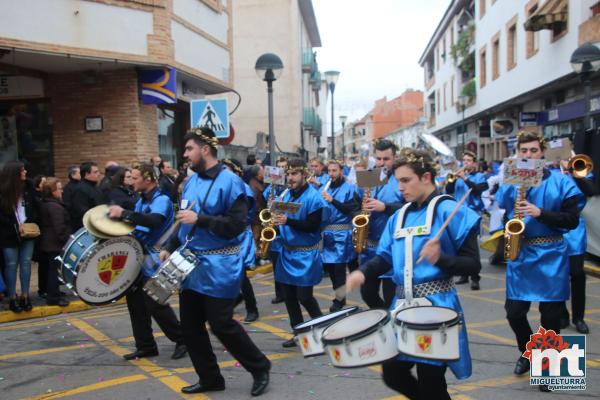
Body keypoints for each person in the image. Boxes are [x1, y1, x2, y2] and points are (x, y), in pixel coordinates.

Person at [347, 149, 482, 399]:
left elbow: (473, 265)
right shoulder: (399, 216)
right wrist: (363, 273)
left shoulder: (449, 210)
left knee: (431, 380)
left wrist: (440, 258)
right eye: (398, 180)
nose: (400, 187)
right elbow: (385, 257)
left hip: (437, 306)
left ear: (426, 177)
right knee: (393, 373)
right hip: (402, 306)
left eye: (406, 180)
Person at [161, 127, 271, 396]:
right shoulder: (192, 182)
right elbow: (184, 221)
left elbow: (235, 226)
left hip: (221, 265)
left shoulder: (232, 182)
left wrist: (202, 220)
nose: (185, 154)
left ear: (205, 149)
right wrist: (169, 246)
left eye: (189, 149)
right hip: (191, 265)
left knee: (221, 324)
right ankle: (210, 378)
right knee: (190, 326)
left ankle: (259, 367)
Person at [494, 132, 582, 389]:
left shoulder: (560, 182)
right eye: (524, 151)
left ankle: (550, 370)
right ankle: (529, 351)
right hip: (521, 254)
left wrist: (540, 213)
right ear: (518, 153)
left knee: (551, 317)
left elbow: (571, 219)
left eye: (533, 151)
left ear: (542, 153)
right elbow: (503, 211)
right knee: (514, 313)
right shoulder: (511, 179)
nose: (529, 156)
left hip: (551, 253)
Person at [107, 162, 186, 361]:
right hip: (139, 258)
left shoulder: (162, 200)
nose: (131, 181)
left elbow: (154, 221)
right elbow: (138, 221)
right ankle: (145, 345)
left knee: (155, 303)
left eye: (135, 178)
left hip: (156, 259)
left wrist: (124, 214)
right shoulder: (141, 200)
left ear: (148, 179)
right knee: (135, 304)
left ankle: (182, 339)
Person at [273, 158, 328, 348]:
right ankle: (298, 332)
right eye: (288, 174)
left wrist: (288, 222)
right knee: (289, 297)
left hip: (306, 254)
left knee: (304, 297)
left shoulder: (314, 198)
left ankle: (322, 330)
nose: (290, 178)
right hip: (287, 253)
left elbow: (312, 226)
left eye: (294, 174)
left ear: (305, 175)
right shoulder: (286, 195)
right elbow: (281, 219)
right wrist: (275, 220)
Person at [360, 139, 404, 309]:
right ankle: (385, 320)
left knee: (391, 297)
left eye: (386, 159)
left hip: (392, 248)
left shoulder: (401, 178)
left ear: (394, 157)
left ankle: (391, 326)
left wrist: (384, 207)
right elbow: (357, 205)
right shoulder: (370, 176)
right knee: (367, 293)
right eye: (378, 159)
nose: (381, 163)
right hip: (370, 247)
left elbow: (411, 208)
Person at [558, 159, 596, 334]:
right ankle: (562, 314)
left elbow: (591, 190)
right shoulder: (552, 175)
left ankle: (579, 318)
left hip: (574, 232)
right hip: (555, 228)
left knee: (578, 274)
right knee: (557, 274)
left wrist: (573, 173)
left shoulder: (579, 174)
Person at [320, 159, 361, 311]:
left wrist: (333, 200)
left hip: (343, 233)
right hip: (327, 234)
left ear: (341, 171)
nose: (331, 174)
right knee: (330, 268)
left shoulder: (350, 188)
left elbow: (351, 210)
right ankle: (340, 295)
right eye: (329, 171)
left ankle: (339, 299)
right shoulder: (325, 188)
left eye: (334, 171)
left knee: (338, 268)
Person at [223, 159, 260, 323]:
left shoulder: (244, 190)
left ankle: (252, 309)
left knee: (241, 274)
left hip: (240, 235)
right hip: (226, 234)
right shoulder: (223, 188)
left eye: (227, 170)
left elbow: (249, 215)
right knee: (226, 271)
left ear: (237, 172)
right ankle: (234, 299)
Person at [445, 150, 488, 290]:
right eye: (464, 161)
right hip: (458, 214)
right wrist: (451, 178)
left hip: (472, 215)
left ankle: (475, 278)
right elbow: (449, 189)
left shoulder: (480, 176)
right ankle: (464, 274)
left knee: (472, 248)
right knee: (459, 245)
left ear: (474, 163)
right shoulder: (457, 177)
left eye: (469, 161)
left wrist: (464, 178)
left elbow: (477, 190)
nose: (466, 163)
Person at [0, 161, 39, 312]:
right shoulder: (3, 191)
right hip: (9, 234)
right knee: (11, 264)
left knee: (26, 263)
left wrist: (32, 221)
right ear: (14, 173)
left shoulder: (28, 187)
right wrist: (13, 226)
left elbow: (35, 206)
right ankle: (12, 297)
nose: (25, 172)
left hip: (28, 232)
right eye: (22, 170)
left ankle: (25, 295)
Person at [38, 178, 70, 307]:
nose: (62, 190)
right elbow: (59, 228)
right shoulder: (54, 206)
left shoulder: (46, 204)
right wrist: (66, 241)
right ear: (53, 191)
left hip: (48, 243)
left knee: (50, 270)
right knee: (54, 271)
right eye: (59, 188)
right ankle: (53, 298)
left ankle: (53, 293)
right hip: (54, 244)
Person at [262, 156, 289, 303]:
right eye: (279, 167)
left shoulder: (291, 186)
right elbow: (265, 198)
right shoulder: (272, 187)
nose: (282, 170)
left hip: (287, 227)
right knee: (276, 263)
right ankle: (280, 293)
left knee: (288, 262)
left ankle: (290, 291)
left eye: (284, 167)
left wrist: (278, 204)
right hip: (274, 228)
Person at [70, 161, 103, 231]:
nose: (99, 174)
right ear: (86, 174)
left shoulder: (95, 187)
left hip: (98, 226)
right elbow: (83, 213)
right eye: (95, 172)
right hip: (88, 230)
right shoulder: (80, 190)